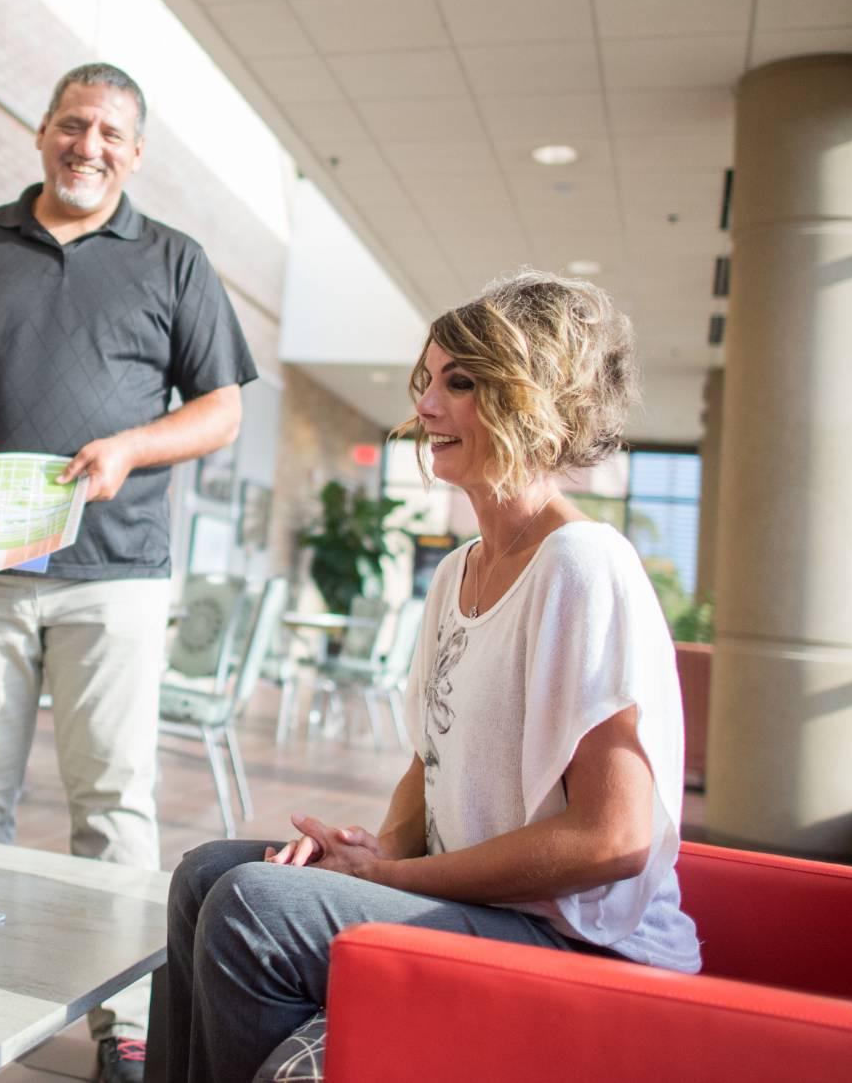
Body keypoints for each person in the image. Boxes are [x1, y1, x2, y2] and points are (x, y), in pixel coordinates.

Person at [152, 271, 702, 1083]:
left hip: (586, 947)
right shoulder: (455, 574)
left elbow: (613, 836)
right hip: (485, 912)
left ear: (530, 399)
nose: (427, 408)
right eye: (427, 382)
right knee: (208, 874)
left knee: (255, 911)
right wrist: (376, 849)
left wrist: (396, 878)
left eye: (460, 383)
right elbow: (429, 761)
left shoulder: (584, 565)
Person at [0, 62, 256, 1082]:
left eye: (107, 134)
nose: (86, 146)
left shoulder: (172, 260)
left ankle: (123, 1026)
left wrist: (132, 446)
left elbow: (221, 406)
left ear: (134, 155)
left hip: (115, 569)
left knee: (114, 803)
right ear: (40, 132)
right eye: (70, 125)